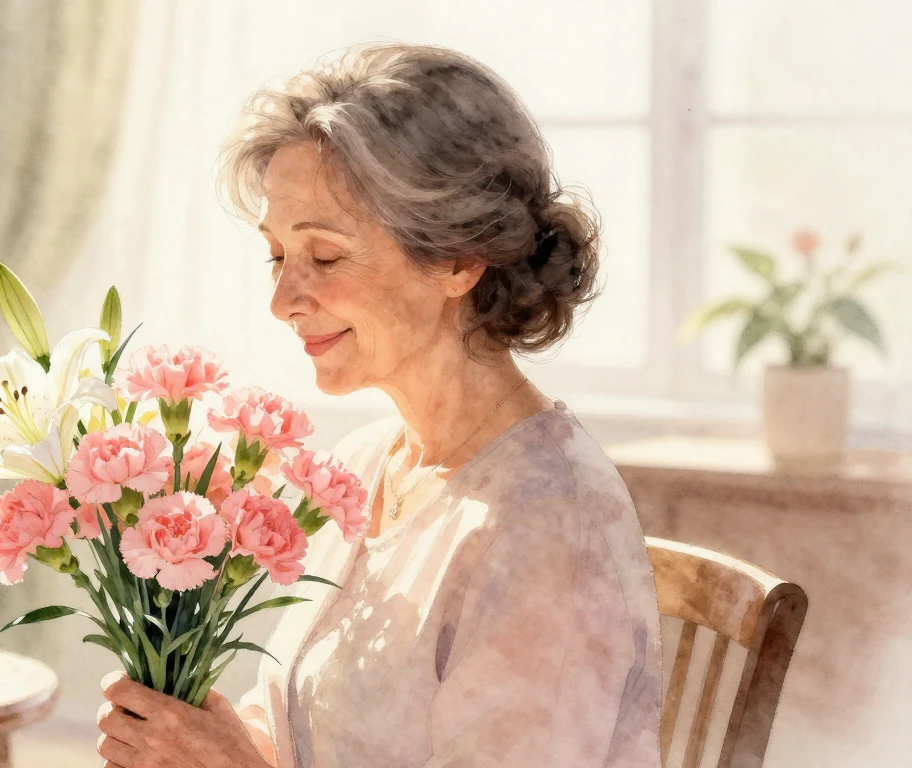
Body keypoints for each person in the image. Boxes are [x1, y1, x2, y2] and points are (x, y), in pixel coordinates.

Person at [96, 42, 661, 768]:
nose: (282, 301)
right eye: (277, 257)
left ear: (457, 259)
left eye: (324, 258)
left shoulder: (552, 530)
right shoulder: (362, 468)